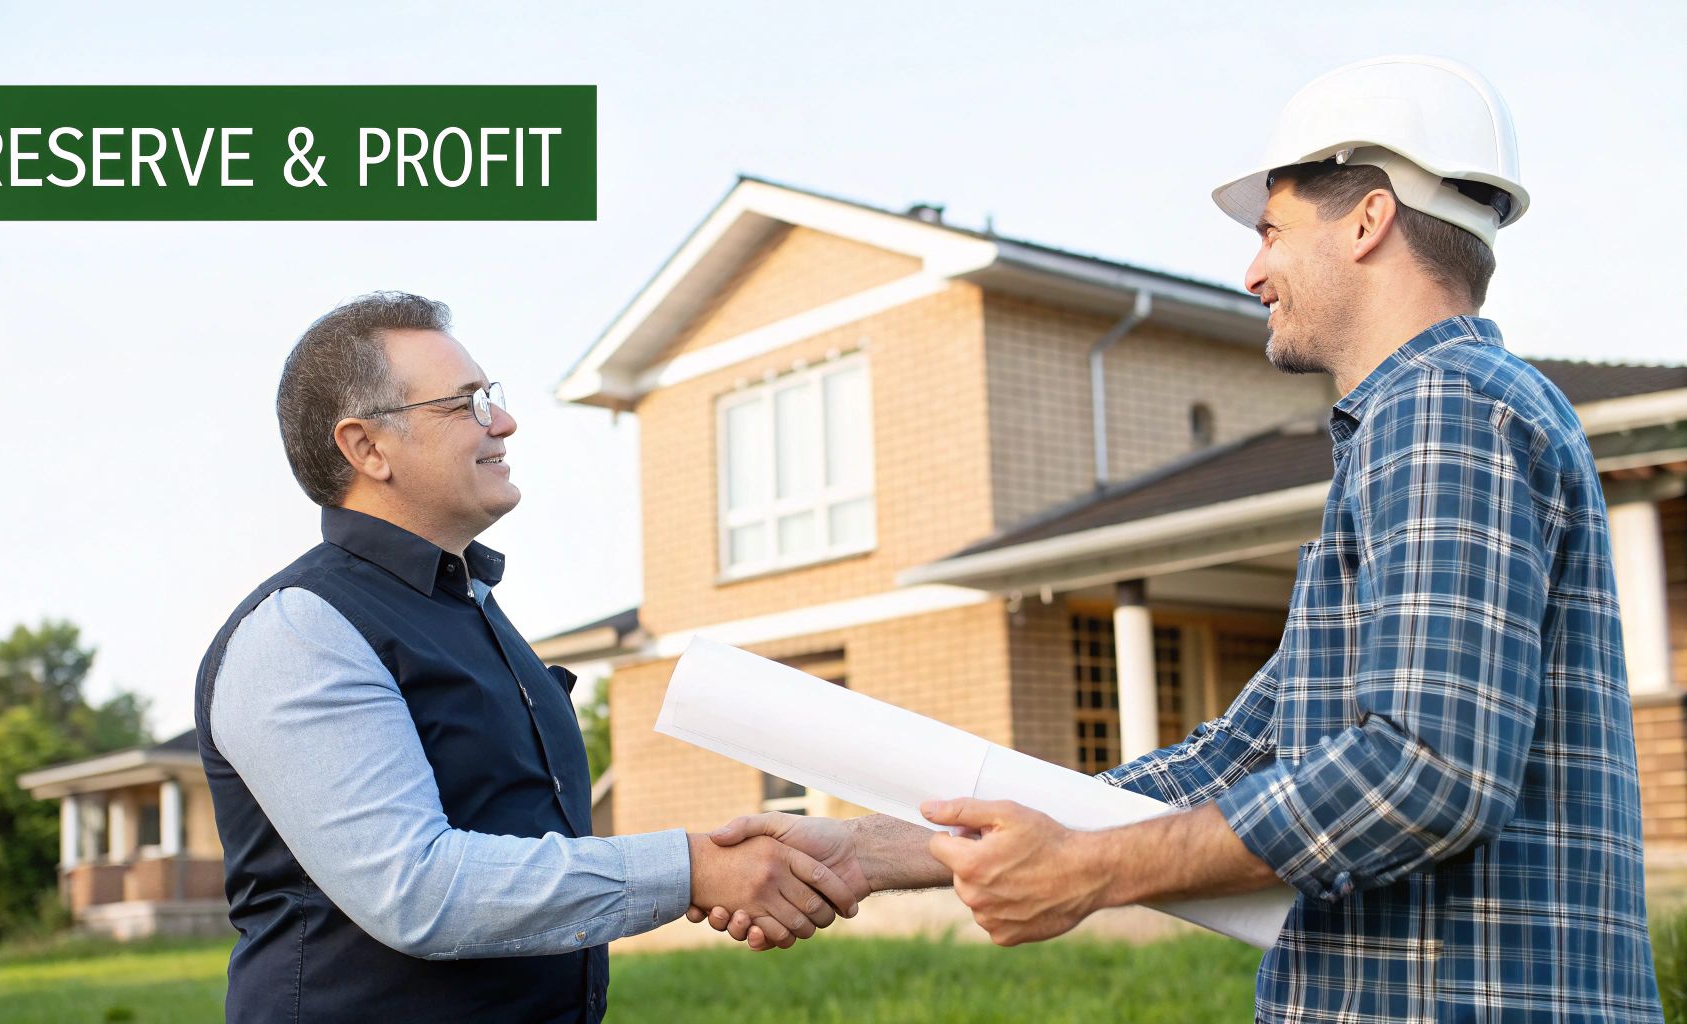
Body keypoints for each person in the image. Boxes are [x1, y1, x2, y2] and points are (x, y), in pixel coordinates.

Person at [701, 56, 1663, 1021]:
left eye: (1271, 232)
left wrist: (1093, 869)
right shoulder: (1422, 428)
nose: (1253, 273)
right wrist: (876, 850)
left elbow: (1427, 773)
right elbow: (1237, 755)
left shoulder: (1446, 407)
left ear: (1368, 220)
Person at [194, 292, 857, 1024]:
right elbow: (419, 891)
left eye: (492, 398)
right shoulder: (301, 631)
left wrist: (912, 849)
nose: (503, 423)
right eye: (465, 405)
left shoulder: (473, 609)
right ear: (367, 448)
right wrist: (696, 867)